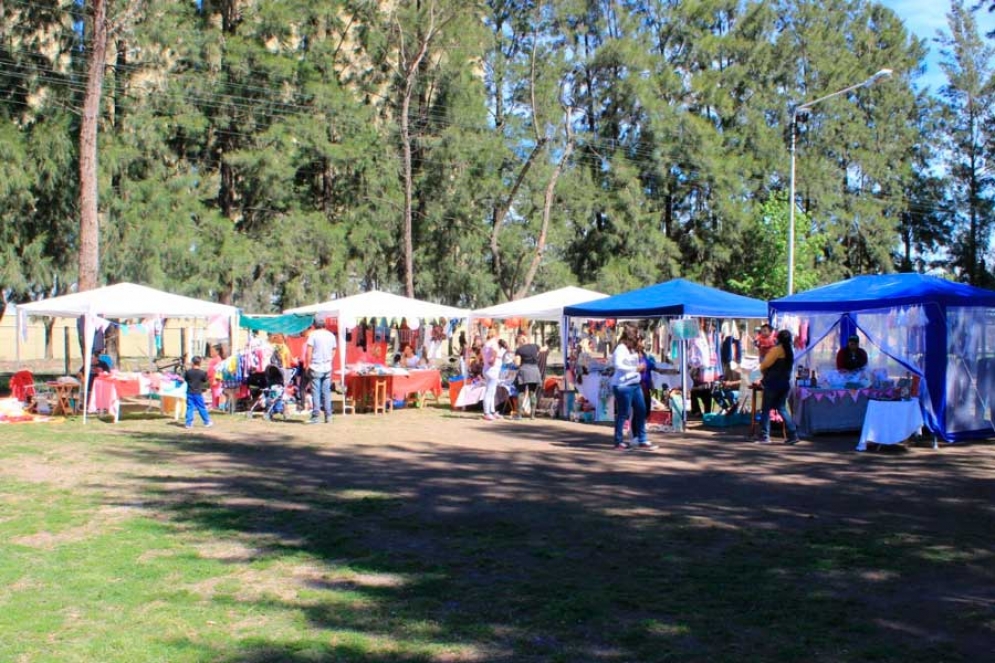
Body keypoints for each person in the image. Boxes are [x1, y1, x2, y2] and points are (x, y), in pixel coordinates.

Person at [611, 324, 655, 451]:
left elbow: (640, 361)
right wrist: (635, 368)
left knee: (641, 410)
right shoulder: (620, 349)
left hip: (635, 384)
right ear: (629, 338)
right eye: (635, 338)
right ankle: (618, 441)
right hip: (622, 385)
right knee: (623, 414)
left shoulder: (633, 349)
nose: (637, 341)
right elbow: (618, 365)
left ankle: (642, 439)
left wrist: (639, 354)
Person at [756, 329, 799, 445]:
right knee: (782, 409)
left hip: (773, 383)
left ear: (779, 338)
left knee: (766, 409)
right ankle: (793, 434)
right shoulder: (790, 351)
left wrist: (763, 372)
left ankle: (765, 436)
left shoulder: (776, 350)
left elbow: (765, 364)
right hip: (785, 384)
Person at [304, 313, 337, 424]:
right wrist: (329, 359)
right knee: (326, 392)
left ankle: (316, 416)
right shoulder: (331, 335)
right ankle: (328, 416)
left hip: (316, 366)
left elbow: (309, 352)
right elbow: (334, 350)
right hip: (327, 367)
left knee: (316, 393)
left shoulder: (313, 335)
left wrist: (307, 365)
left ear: (314, 324)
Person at [514, 333, 542, 419]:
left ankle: (519, 415)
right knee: (532, 392)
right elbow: (541, 350)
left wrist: (514, 361)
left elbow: (517, 364)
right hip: (535, 370)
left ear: (520, 341)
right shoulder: (535, 346)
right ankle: (532, 415)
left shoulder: (519, 350)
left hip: (524, 371)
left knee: (521, 392)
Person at [182, 356, 213, 429]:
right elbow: (205, 380)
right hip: (198, 393)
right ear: (200, 363)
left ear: (192, 363)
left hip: (189, 392)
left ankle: (188, 423)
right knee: (201, 407)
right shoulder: (202, 373)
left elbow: (185, 379)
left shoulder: (188, 372)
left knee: (190, 408)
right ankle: (207, 422)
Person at [481, 329, 502, 421]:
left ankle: (492, 411)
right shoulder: (493, 343)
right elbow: (495, 352)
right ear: (496, 335)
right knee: (489, 391)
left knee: (492, 391)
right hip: (492, 370)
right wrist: (493, 360)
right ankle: (487, 412)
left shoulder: (486, 344)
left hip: (488, 369)